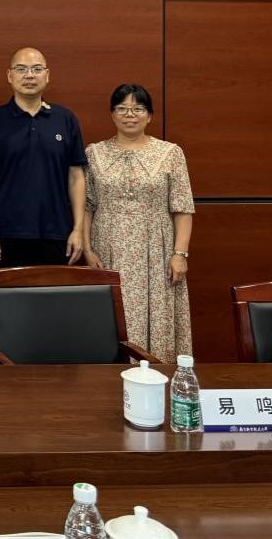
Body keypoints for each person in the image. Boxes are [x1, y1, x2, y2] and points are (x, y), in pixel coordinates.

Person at [84, 84, 195, 363]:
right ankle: (110, 382)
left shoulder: (170, 153)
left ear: (150, 116)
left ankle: (156, 378)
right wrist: (87, 249)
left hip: (157, 252)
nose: (130, 115)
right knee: (112, 317)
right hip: (107, 248)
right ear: (112, 114)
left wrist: (180, 254)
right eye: (122, 108)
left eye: (138, 109)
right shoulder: (94, 154)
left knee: (157, 321)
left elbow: (182, 208)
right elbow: (87, 206)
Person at [0, 47, 85, 268]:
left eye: (36, 69)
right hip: (4, 234)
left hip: (57, 233)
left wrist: (77, 230)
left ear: (47, 75)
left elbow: (76, 177)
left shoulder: (65, 119)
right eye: (21, 69)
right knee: (5, 292)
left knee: (53, 291)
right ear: (9, 75)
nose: (29, 75)